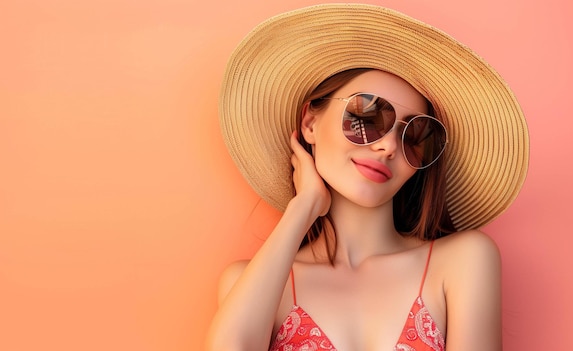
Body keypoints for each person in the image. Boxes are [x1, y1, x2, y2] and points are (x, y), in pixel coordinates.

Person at [206, 4, 529, 351]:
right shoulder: (251, 282)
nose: (389, 145)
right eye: (369, 115)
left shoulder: (462, 261)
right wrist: (304, 207)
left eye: (415, 134)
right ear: (310, 124)